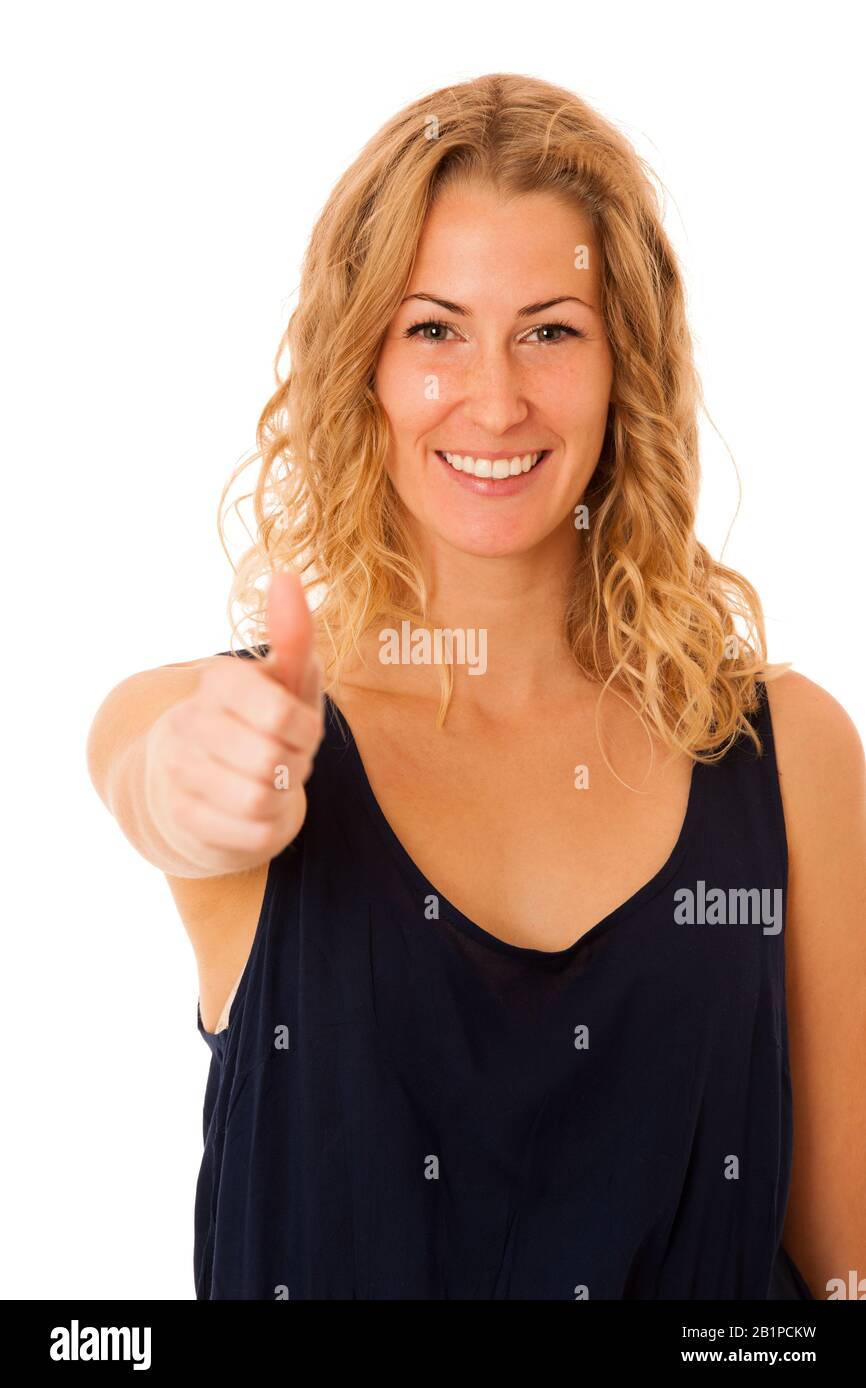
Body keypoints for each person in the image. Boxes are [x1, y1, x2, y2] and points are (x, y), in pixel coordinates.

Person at [87, 72, 865, 1300]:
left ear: (626, 372)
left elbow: (845, 1270)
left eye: (550, 329)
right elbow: (147, 767)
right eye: (434, 329)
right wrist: (181, 788)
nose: (493, 399)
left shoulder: (787, 751)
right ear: (365, 367)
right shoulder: (241, 731)